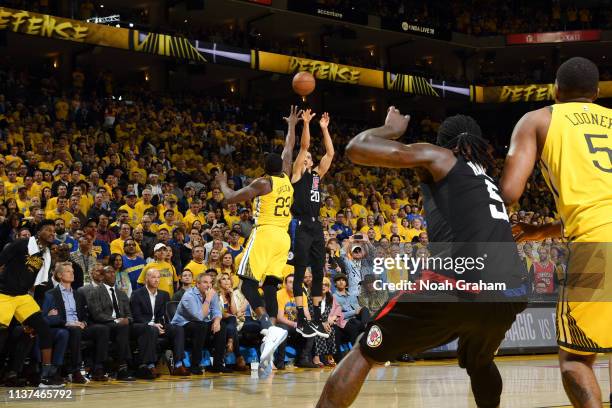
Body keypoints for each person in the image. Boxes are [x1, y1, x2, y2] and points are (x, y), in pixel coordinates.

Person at [317, 108, 527, 408]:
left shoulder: (441, 157)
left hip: (460, 283)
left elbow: (356, 149)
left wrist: (390, 129)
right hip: (509, 292)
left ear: (447, 143)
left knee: (365, 350)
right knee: (480, 362)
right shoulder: (489, 182)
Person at [500, 57, 612, 407]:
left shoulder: (540, 119)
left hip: (597, 243)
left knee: (576, 359)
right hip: (597, 227)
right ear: (596, 93)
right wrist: (547, 229)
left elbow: (509, 193)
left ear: (555, 90)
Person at [214, 106, 300, 373]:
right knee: (271, 286)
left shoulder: (264, 183)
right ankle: (272, 334)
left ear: (264, 169)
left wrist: (221, 182)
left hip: (265, 234)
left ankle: (266, 326)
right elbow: (289, 150)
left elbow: (230, 198)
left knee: (247, 284)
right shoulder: (286, 176)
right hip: (284, 238)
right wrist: (292, 126)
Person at [0, 219, 65, 387]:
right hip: (3, 294)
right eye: (48, 230)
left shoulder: (47, 254)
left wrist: (33, 315)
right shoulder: (21, 244)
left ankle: (46, 375)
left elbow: (40, 286)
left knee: (43, 328)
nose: (52, 233)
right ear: (39, 232)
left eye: (53, 231)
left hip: (22, 297)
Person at [290, 110, 334, 338]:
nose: (308, 158)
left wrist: (325, 128)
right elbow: (304, 147)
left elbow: (330, 153)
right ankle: (300, 318)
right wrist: (306, 124)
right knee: (299, 272)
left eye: (309, 159)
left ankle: (316, 317)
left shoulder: (317, 176)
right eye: (305, 158)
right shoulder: (297, 174)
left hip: (317, 227)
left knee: (318, 272)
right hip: (301, 225)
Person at [42, 261, 110, 383]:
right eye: (68, 271)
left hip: (78, 326)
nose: (72, 274)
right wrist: (67, 323)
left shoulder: (78, 294)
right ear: (59, 275)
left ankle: (98, 368)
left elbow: (85, 315)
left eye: (72, 272)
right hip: (64, 326)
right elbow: (44, 318)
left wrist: (83, 322)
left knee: (102, 329)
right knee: (75, 330)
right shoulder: (50, 294)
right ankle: (75, 370)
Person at [171, 272, 231, 374]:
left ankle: (218, 365)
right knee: (201, 326)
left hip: (200, 323)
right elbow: (199, 316)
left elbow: (217, 311)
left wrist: (217, 321)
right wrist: (207, 299)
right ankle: (195, 365)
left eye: (210, 282)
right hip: (183, 325)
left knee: (222, 326)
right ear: (197, 284)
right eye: (205, 282)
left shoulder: (212, 293)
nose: (209, 285)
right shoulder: (189, 295)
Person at [130, 268, 171, 378]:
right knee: (151, 329)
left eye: (158, 277)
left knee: (177, 329)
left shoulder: (164, 294)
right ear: (146, 279)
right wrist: (152, 324)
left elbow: (164, 315)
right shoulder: (137, 294)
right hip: (140, 325)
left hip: (157, 325)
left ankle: (178, 364)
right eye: (153, 277)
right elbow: (136, 316)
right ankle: (150, 365)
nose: (157, 280)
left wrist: (162, 325)